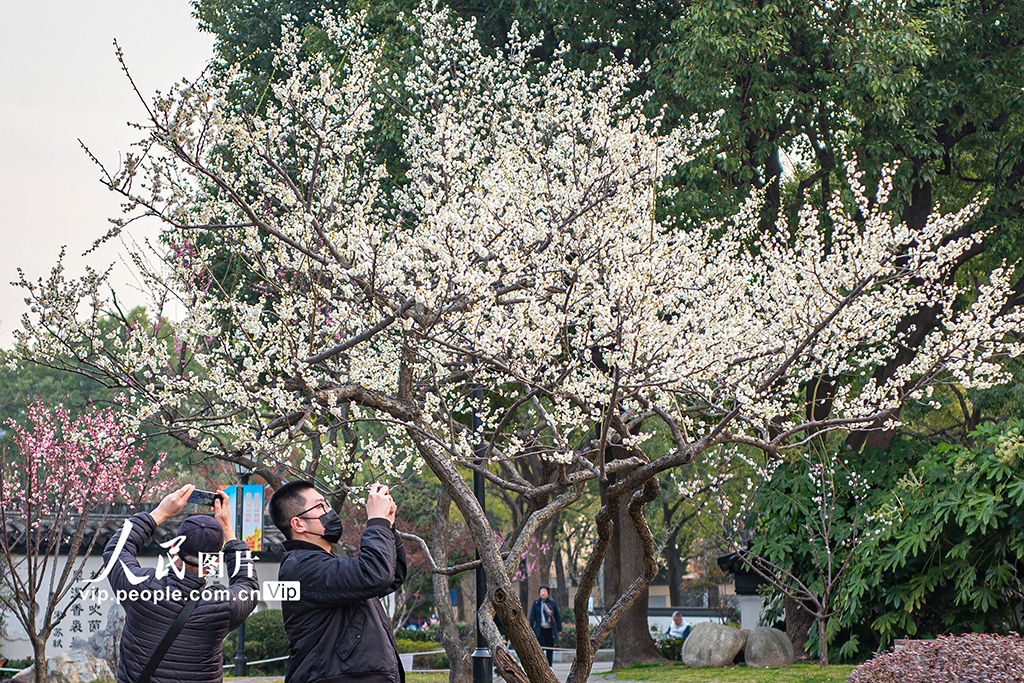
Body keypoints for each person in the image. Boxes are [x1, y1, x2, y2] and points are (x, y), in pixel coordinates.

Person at [103, 484, 258, 683]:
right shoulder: (224, 606)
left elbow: (116, 551)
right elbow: (248, 584)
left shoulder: (140, 587)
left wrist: (160, 513)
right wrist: (228, 530)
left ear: (173, 549)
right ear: (216, 560)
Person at [271, 481, 406, 683]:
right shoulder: (302, 568)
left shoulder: (325, 562)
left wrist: (388, 525)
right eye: (320, 506)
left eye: (326, 504)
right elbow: (374, 574)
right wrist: (377, 521)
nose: (329, 511)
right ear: (298, 524)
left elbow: (391, 575)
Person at [528, 585, 562, 666]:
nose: (543, 593)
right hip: (540, 630)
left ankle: (550, 665)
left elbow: (557, 616)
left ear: (548, 593)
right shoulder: (536, 603)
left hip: (550, 630)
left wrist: (559, 628)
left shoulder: (552, 603)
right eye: (541, 592)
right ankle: (542, 666)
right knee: (540, 648)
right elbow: (532, 617)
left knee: (550, 648)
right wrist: (530, 628)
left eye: (544, 591)